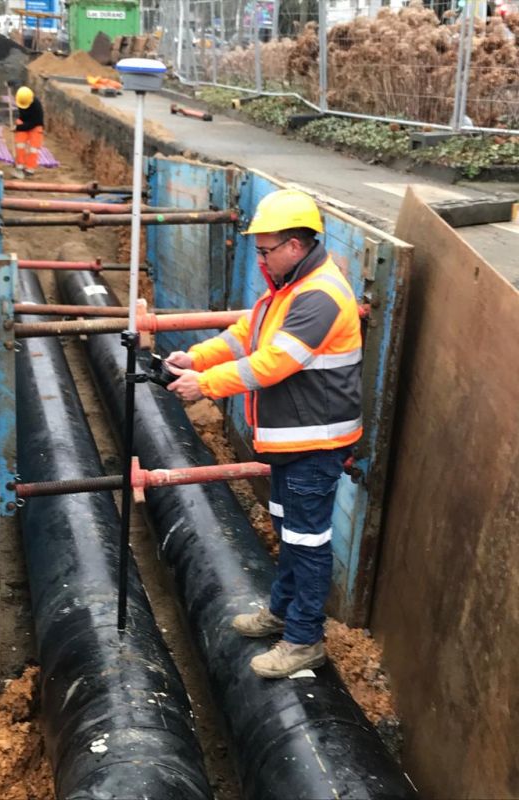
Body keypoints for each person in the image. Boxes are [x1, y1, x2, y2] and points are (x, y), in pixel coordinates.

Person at [166, 189, 363, 679]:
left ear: (296, 246)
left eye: (266, 249)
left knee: (308, 542)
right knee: (289, 534)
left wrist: (206, 385)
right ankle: (282, 612)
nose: (260, 257)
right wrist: (196, 357)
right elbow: (244, 335)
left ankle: (303, 640)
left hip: (314, 445)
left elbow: (275, 362)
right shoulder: (286, 289)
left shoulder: (318, 294)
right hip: (289, 442)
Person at [12, 86, 44, 179]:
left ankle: (30, 169)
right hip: (23, 121)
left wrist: (18, 128)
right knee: (20, 145)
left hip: (35, 125)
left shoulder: (37, 107)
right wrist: (11, 84)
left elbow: (34, 123)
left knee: (33, 148)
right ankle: (19, 165)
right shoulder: (21, 98)